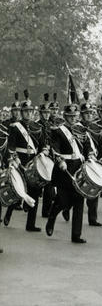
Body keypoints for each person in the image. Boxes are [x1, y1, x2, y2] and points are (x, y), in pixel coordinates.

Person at [46, 99, 92, 243]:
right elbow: (55, 148)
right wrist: (60, 160)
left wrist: (90, 155)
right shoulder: (58, 131)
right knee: (64, 200)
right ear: (65, 116)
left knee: (79, 200)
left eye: (75, 115)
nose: (73, 118)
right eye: (70, 116)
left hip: (78, 167)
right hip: (64, 168)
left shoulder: (82, 129)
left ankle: (76, 235)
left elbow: (87, 146)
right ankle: (52, 216)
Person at [4, 90, 48, 231]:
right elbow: (11, 146)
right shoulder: (15, 127)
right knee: (18, 189)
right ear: (22, 113)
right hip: (20, 161)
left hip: (33, 163)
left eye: (30, 111)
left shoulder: (38, 127)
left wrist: (44, 153)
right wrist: (14, 159)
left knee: (34, 191)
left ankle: (30, 224)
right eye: (25, 111)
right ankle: (9, 212)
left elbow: (42, 146)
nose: (28, 114)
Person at [79, 92, 102, 226]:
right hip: (80, 163)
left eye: (91, 113)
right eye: (86, 113)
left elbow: (101, 146)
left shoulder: (97, 128)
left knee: (94, 189)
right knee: (77, 191)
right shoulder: (77, 128)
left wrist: (100, 160)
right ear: (82, 115)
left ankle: (92, 218)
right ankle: (66, 209)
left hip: (94, 162)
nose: (89, 115)